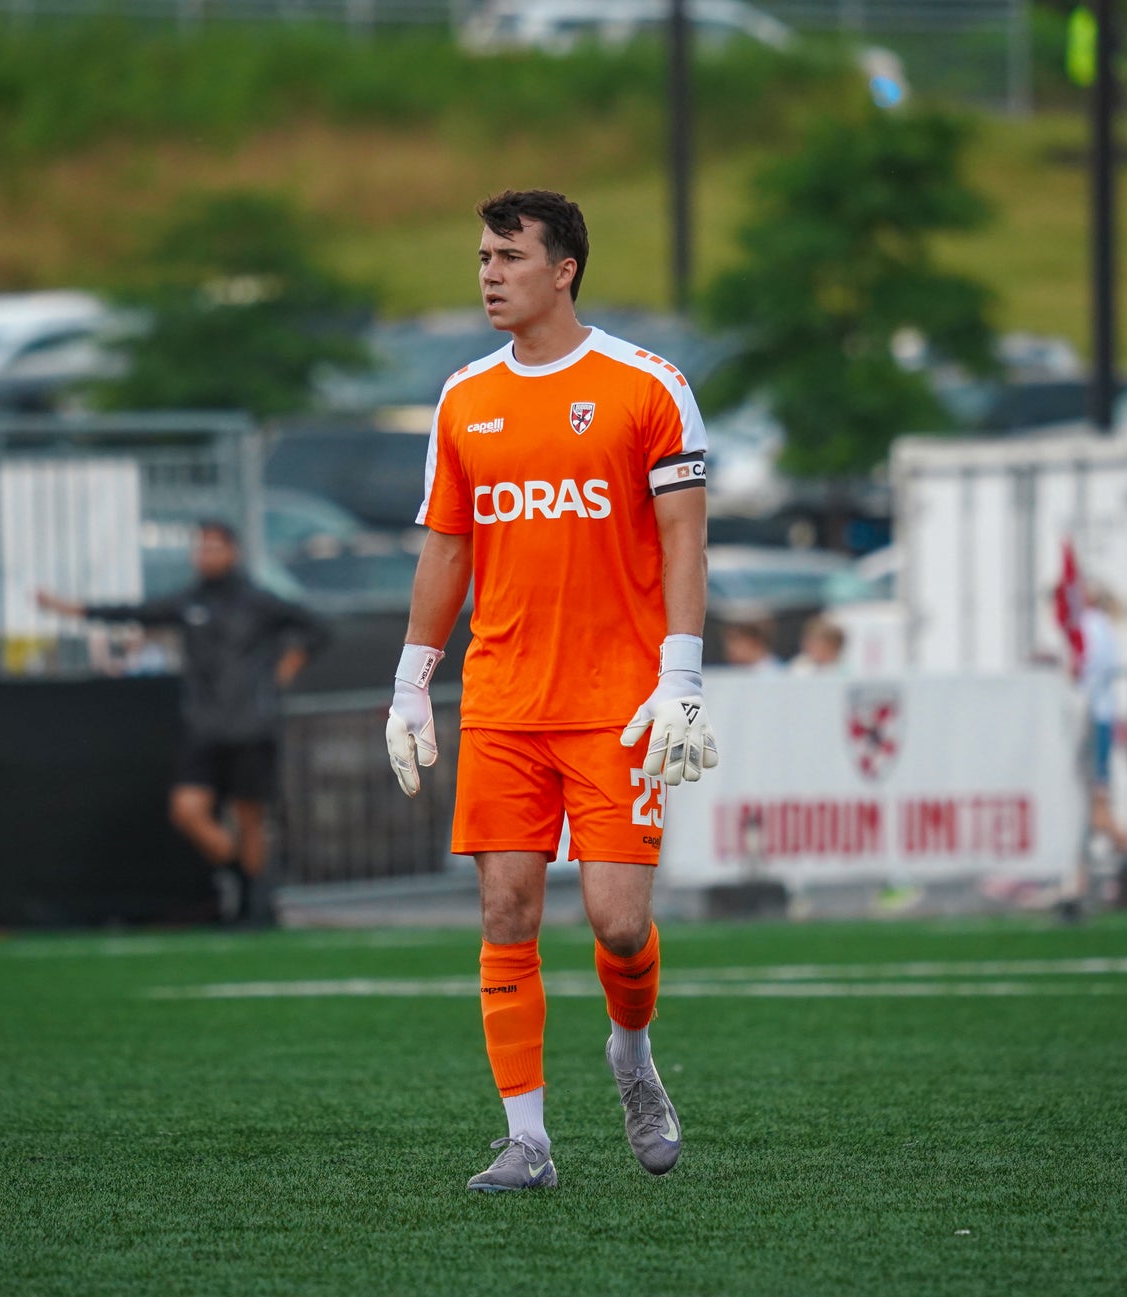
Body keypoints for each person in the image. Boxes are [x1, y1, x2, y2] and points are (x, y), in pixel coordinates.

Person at [384, 189, 716, 1193]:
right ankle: (526, 1140)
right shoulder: (462, 397)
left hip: (619, 699)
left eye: (509, 256)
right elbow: (447, 546)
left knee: (617, 921)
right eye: (483, 257)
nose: (489, 274)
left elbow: (684, 538)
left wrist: (681, 675)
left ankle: (631, 1053)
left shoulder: (647, 385)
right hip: (502, 698)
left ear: (563, 270)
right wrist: (410, 683)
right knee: (505, 908)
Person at [37, 519, 327, 926]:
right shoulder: (190, 601)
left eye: (213, 547)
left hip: (251, 726)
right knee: (187, 810)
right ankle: (240, 875)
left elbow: (317, 628)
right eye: (200, 547)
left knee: (249, 817)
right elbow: (136, 612)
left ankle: (255, 908)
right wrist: (72, 609)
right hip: (205, 727)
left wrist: (288, 666)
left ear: (233, 552)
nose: (205, 555)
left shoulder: (258, 601)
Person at [1079, 581, 1127, 867]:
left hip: (1091, 719)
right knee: (1094, 802)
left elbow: (1083, 670)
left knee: (1096, 806)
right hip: (1099, 717)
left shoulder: (1090, 625)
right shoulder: (1103, 626)